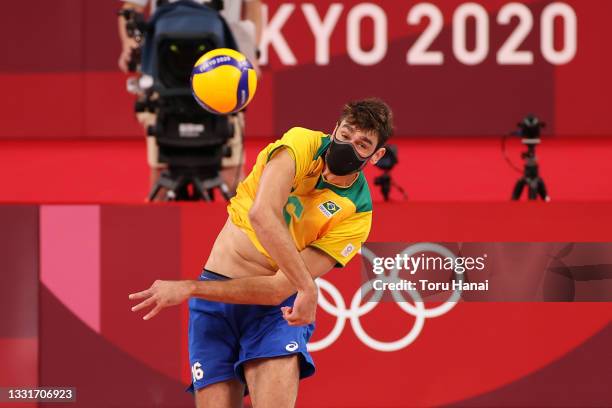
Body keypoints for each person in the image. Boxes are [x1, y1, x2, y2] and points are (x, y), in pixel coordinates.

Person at [129, 98, 393, 407]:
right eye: (346, 134)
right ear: (334, 130)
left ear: (376, 156)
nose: (349, 146)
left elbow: (279, 289)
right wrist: (307, 288)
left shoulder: (358, 213)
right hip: (216, 303)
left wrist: (301, 288)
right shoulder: (302, 144)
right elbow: (262, 215)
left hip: (276, 312)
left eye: (362, 144)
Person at [117, 0, 263, 195]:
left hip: (224, 79)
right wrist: (131, 48)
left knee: (232, 180)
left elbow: (254, 6)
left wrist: (252, 52)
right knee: (161, 176)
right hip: (165, 78)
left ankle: (245, 225)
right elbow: (130, 8)